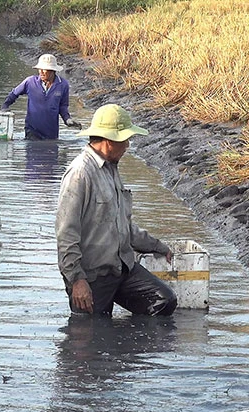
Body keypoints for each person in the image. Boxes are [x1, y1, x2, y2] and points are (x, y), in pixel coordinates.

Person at [55, 103, 176, 317]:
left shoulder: (111, 168)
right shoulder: (80, 174)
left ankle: (130, 350)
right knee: (90, 336)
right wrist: (77, 280)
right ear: (110, 141)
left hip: (121, 269)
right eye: (126, 140)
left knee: (164, 300)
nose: (128, 145)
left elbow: (124, 227)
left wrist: (157, 246)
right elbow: (66, 235)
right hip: (92, 277)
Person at [1, 53, 81, 140]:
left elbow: (63, 106)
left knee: (51, 151)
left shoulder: (63, 85)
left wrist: (67, 119)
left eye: (44, 69)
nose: (41, 72)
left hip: (51, 131)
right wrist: (5, 106)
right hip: (32, 130)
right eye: (40, 69)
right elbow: (14, 94)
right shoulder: (30, 82)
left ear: (53, 70)